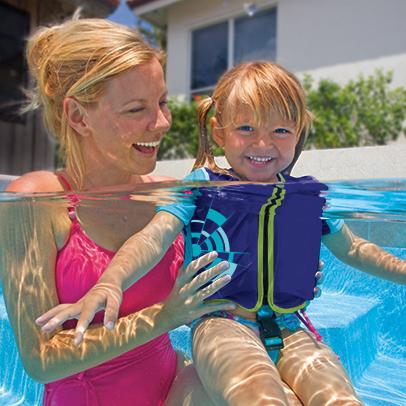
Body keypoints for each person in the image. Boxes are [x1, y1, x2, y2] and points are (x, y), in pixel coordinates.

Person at [37, 61, 406, 405]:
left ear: (298, 135)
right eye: (246, 128)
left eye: (280, 130)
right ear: (220, 131)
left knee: (341, 399)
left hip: (291, 325)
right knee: (259, 396)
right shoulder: (202, 185)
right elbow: (153, 237)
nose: (263, 144)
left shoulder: (308, 198)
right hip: (222, 323)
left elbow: (355, 249)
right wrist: (110, 281)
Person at [0, 17, 239, 406]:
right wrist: (164, 317)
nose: (161, 123)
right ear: (79, 116)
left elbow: (226, 276)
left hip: (173, 388)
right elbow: (41, 359)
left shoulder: (168, 195)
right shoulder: (37, 201)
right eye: (136, 109)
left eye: (162, 102)